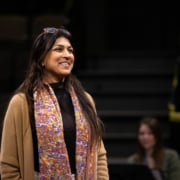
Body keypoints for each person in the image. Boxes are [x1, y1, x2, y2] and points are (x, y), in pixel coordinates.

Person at [0, 27, 109, 179]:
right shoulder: (22, 102)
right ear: (42, 59)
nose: (67, 55)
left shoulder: (85, 100)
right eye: (59, 49)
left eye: (70, 50)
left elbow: (99, 154)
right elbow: (8, 164)